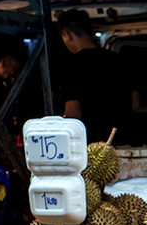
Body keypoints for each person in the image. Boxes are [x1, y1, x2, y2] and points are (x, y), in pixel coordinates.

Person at [57, 9, 140, 145]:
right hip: (125, 142)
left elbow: (74, 114)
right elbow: (136, 104)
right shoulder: (119, 60)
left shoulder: (72, 67)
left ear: (67, 34)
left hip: (93, 148)